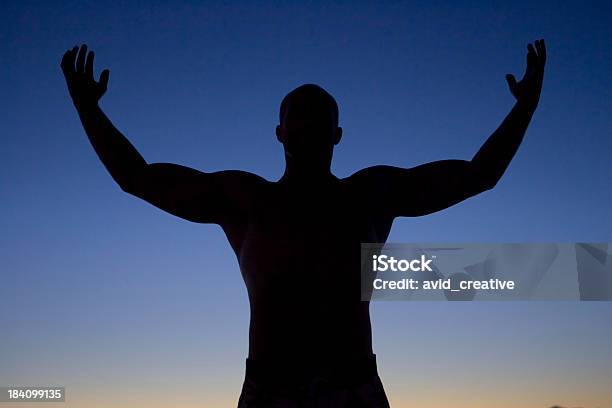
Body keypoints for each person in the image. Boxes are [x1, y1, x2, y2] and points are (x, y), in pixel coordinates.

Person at [60, 39, 546, 407]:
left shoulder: (370, 194)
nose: (309, 124)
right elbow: (138, 178)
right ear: (279, 132)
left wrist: (525, 106)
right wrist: (87, 108)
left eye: (320, 117)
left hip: (353, 387)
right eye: (299, 116)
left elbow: (479, 175)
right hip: (270, 390)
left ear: (337, 133)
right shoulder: (245, 199)